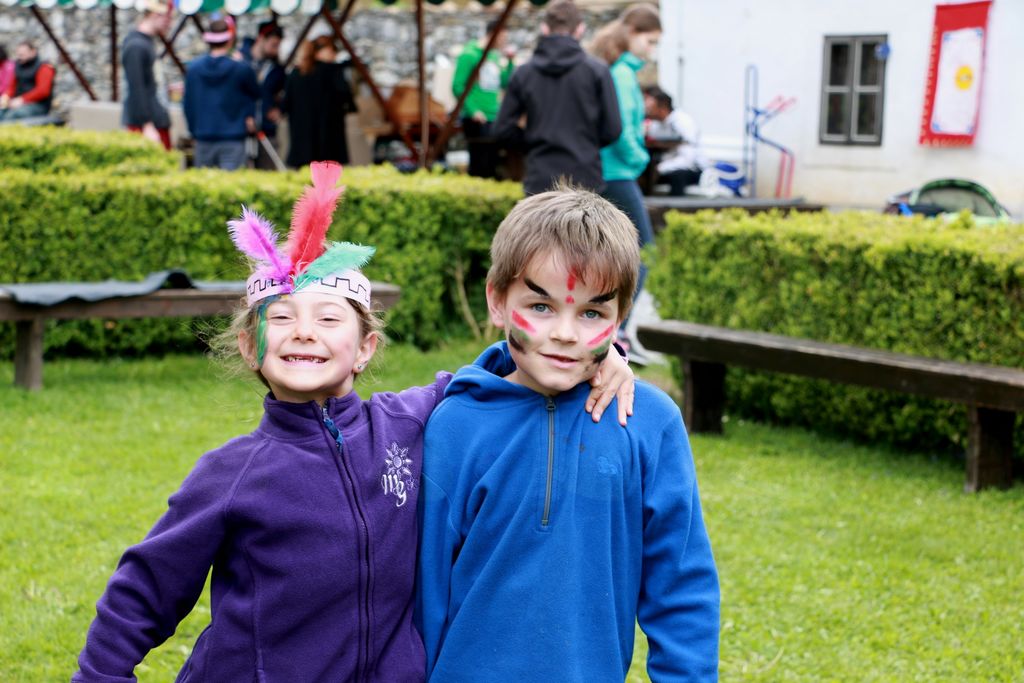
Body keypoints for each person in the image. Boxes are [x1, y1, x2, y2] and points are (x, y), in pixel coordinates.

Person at [72, 165, 635, 681]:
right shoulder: (231, 475)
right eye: (282, 318)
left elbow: (490, 372)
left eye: (327, 318)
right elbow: (145, 588)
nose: (304, 331)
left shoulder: (406, 424)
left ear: (365, 348)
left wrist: (599, 353)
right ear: (249, 346)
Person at [417, 187, 720, 680]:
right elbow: (422, 592)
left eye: (591, 313)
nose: (564, 333)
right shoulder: (454, 424)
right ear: (497, 301)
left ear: (619, 319)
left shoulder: (649, 423)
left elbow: (681, 586)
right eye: (540, 306)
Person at [493, 0, 621, 195]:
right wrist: (585, 144)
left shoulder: (523, 73)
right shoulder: (598, 71)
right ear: (580, 29)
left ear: (544, 28)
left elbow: (502, 130)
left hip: (540, 177)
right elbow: (613, 129)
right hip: (586, 176)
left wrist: (533, 142)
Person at [592, 3, 661, 361]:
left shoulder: (622, 71)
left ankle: (610, 331)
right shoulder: (620, 74)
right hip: (617, 172)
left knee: (617, 254)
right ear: (632, 33)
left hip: (615, 172)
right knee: (643, 252)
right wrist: (640, 158)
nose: (652, 50)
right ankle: (616, 334)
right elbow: (619, 130)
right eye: (650, 41)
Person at [183, 17, 260, 170]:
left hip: (203, 137)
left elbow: (187, 104)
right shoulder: (242, 69)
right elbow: (256, 93)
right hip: (233, 138)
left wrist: (193, 131)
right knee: (232, 184)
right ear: (230, 39)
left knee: (204, 183)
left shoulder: (193, 69)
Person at [452, 19, 515, 179]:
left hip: (493, 115)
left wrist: (509, 62)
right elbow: (458, 86)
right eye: (502, 38)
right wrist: (473, 110)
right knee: (479, 164)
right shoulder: (469, 54)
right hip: (477, 117)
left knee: (493, 163)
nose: (504, 42)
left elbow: (505, 83)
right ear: (494, 34)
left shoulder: (493, 55)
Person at [282, 35, 356, 168]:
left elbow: (286, 103)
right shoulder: (332, 71)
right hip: (328, 140)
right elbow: (346, 96)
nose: (334, 55)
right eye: (332, 51)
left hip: (302, 140)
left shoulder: (296, 73)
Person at [121, 0, 173, 150]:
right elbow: (136, 88)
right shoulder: (136, 46)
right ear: (155, 15)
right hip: (146, 125)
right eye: (167, 18)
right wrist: (147, 125)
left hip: (155, 120)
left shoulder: (146, 43)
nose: (169, 24)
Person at [239, 20, 287, 170]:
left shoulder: (276, 69)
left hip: (266, 130)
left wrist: (280, 109)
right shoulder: (240, 62)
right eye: (273, 45)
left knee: (268, 172)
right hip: (241, 129)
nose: (275, 50)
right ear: (261, 39)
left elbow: (286, 92)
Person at [644, 84, 707, 196]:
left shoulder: (682, 122)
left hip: (692, 168)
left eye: (650, 107)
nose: (646, 109)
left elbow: (688, 159)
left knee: (677, 176)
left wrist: (660, 168)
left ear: (662, 107)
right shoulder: (655, 124)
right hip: (665, 164)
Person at [0, 41, 55, 122]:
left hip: (38, 105)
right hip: (16, 103)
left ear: (33, 52)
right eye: (19, 53)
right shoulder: (18, 66)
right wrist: (6, 96)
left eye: (23, 53)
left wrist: (22, 99)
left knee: (14, 115)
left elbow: (43, 91)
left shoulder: (44, 67)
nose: (20, 55)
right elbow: (12, 86)